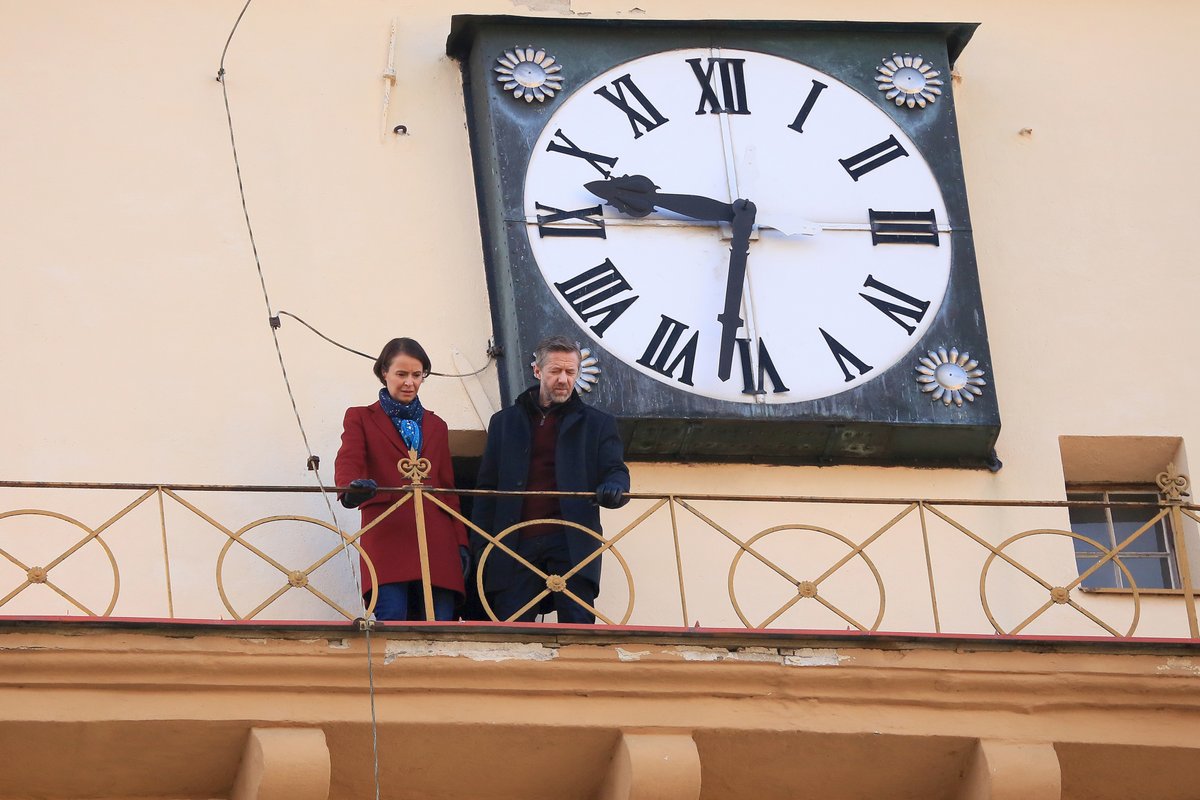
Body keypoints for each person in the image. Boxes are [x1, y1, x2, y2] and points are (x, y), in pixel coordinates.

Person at [471, 335, 630, 623]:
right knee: (513, 634)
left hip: (571, 541)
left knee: (578, 634)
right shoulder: (503, 422)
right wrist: (482, 546)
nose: (564, 379)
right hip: (514, 542)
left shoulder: (598, 423)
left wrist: (616, 487)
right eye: (555, 371)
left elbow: (615, 470)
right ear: (537, 371)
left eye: (571, 372)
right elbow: (487, 490)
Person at [334, 338, 469, 621]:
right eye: (401, 374)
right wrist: (351, 488)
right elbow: (350, 458)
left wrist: (461, 542)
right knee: (392, 619)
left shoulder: (436, 425)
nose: (409, 382)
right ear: (384, 372)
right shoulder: (360, 417)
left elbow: (447, 489)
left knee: (439, 625)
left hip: (437, 539)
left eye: (417, 375)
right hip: (387, 533)